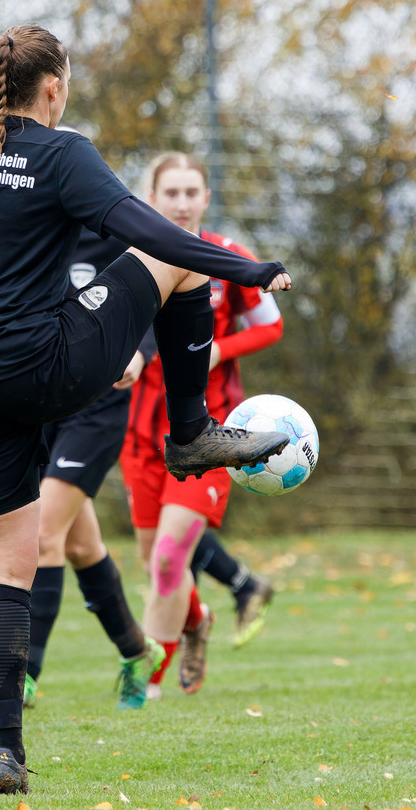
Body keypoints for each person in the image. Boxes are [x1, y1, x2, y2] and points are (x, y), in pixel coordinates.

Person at [0, 15, 292, 795]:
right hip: (42, 369)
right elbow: (151, 231)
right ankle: (190, 434)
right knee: (174, 265)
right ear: (55, 88)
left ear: (0, 84)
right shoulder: (61, 153)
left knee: (7, 564)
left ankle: (6, 749)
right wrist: (243, 269)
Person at [120, 152, 284, 701]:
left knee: (169, 560)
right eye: (172, 193)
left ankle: (145, 684)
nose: (183, 202)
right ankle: (198, 622)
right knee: (156, 565)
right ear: (153, 198)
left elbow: (271, 324)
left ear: (206, 199)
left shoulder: (226, 257)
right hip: (142, 435)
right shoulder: (132, 259)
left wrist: (220, 350)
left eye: (193, 192)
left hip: (209, 439)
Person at [25, 216, 164, 712]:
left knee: (41, 534)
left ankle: (26, 674)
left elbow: (155, 303)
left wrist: (139, 354)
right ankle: (137, 650)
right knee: (82, 545)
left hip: (100, 405)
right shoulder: (30, 227)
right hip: (42, 398)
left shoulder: (121, 236)